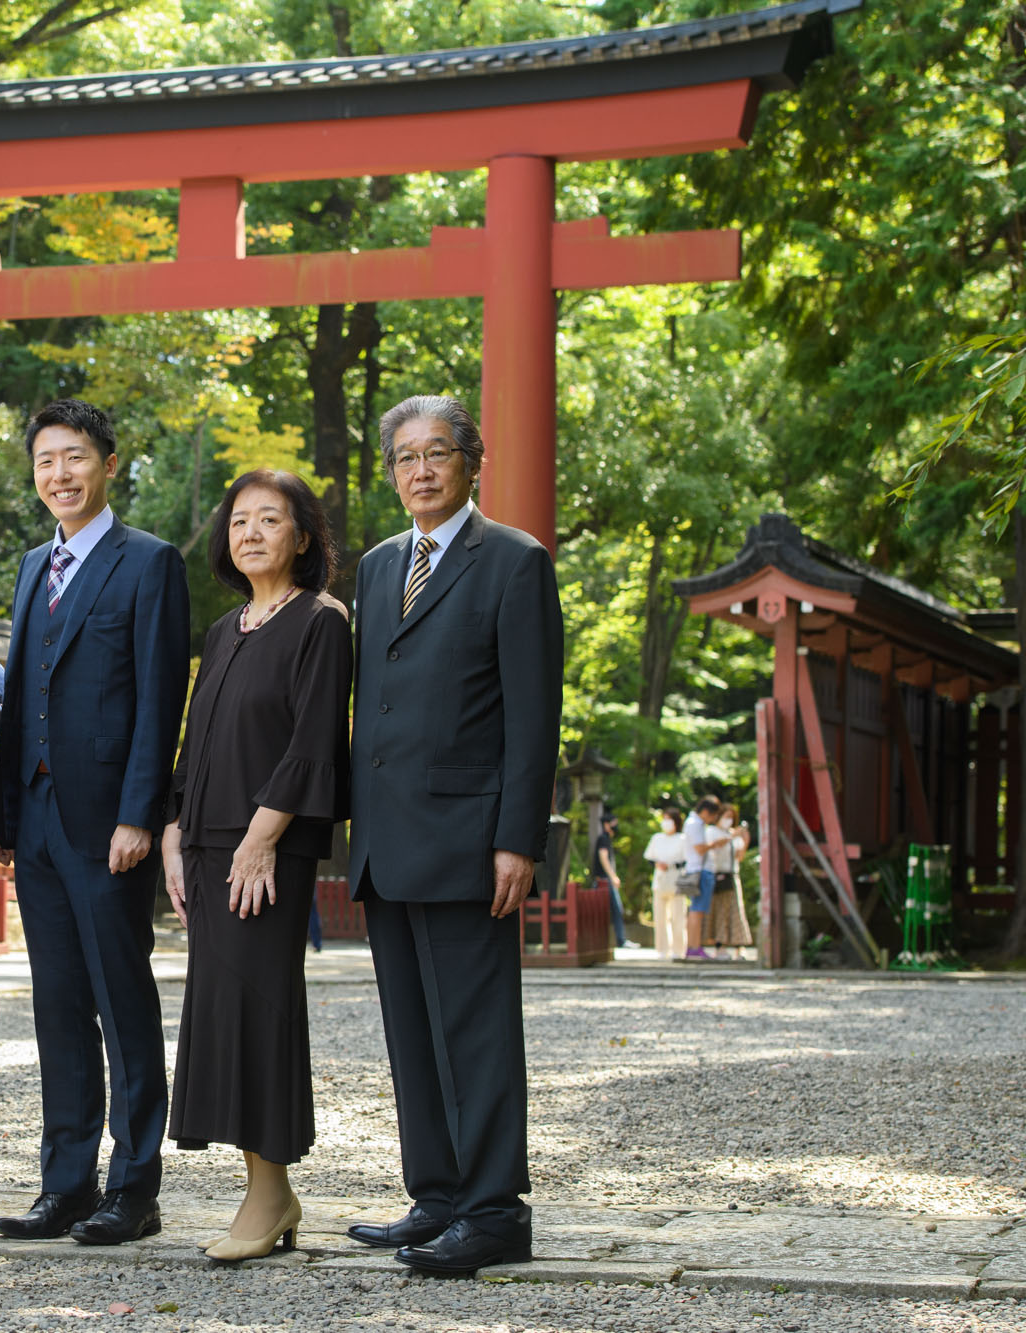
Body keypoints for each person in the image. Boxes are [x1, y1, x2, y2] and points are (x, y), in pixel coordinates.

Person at [343, 394, 561, 1275]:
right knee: (410, 1029)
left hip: (472, 837)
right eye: (405, 457)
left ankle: (495, 1209)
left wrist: (519, 837)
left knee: (475, 1029)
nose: (421, 470)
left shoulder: (513, 561)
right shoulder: (377, 565)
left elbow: (533, 712)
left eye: (438, 453)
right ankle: (434, 1195)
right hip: (386, 837)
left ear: (473, 462)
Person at [0, 398, 192, 1247]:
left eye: (74, 457)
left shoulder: (150, 563)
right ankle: (64, 1183)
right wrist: (1, 813)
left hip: (109, 824)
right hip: (34, 818)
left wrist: (140, 813)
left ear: (108, 462)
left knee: (121, 1001)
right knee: (58, 1006)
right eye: (45, 461)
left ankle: (133, 1186)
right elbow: (22, 691)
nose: (59, 474)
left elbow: (159, 698)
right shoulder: (37, 564)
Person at [160, 469, 352, 1263]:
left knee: (257, 1008)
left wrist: (262, 834)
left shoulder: (321, 621)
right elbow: (196, 740)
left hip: (262, 850)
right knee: (217, 1009)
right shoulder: (225, 628)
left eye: (270, 519)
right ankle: (265, 1187)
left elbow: (313, 742)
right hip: (207, 844)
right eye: (239, 519)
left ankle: (270, 1191)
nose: (251, 532)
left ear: (302, 537)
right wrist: (174, 829)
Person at [682, 796, 727, 961]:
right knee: (697, 911)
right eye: (713, 816)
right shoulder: (695, 824)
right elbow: (700, 849)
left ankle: (693, 947)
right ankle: (694, 947)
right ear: (706, 812)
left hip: (696, 869)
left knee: (696, 910)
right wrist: (715, 844)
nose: (713, 820)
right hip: (699, 871)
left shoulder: (694, 823)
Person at [642, 807, 689, 962]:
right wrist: (658, 864)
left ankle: (678, 949)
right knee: (660, 917)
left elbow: (687, 860)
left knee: (678, 917)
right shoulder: (657, 838)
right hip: (660, 879)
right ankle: (662, 949)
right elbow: (649, 857)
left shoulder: (683, 839)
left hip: (677, 878)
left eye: (669, 819)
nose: (666, 822)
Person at [707, 803, 753, 961]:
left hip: (732, 875)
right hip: (717, 875)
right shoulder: (712, 832)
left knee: (736, 912)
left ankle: (739, 948)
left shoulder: (733, 834)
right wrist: (732, 836)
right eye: (726, 816)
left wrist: (745, 841)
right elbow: (714, 847)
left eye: (731, 818)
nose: (728, 820)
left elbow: (739, 857)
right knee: (719, 912)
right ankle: (720, 948)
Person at [592, 813, 628, 948]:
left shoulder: (606, 839)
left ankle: (617, 940)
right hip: (604, 881)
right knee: (615, 910)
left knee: (611, 911)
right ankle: (620, 940)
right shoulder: (603, 839)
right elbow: (603, 857)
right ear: (607, 825)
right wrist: (613, 877)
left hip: (605, 880)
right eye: (614, 823)